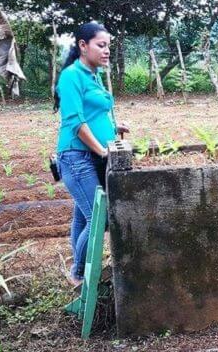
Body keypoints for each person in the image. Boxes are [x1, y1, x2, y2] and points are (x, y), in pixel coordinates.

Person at [54, 21, 128, 286]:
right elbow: (76, 122)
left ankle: (79, 272)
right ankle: (79, 272)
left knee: (82, 216)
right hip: (77, 158)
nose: (106, 50)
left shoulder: (92, 74)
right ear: (83, 46)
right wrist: (103, 152)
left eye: (108, 45)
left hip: (90, 156)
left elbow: (92, 113)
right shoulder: (71, 76)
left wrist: (112, 127)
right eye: (101, 45)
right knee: (101, 218)